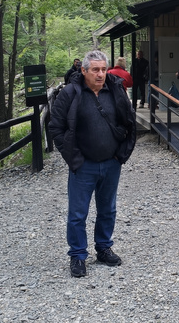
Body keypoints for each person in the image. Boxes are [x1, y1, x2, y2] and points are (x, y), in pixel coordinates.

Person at [48, 50, 137, 278]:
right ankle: (78, 255)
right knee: (78, 213)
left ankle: (103, 247)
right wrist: (73, 157)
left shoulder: (115, 89)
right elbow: (55, 127)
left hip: (111, 162)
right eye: (95, 70)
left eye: (103, 69)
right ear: (84, 70)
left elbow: (129, 121)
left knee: (108, 209)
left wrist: (121, 155)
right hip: (83, 165)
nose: (100, 74)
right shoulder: (70, 93)